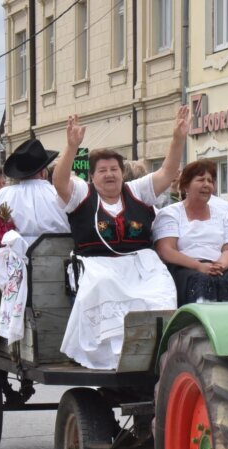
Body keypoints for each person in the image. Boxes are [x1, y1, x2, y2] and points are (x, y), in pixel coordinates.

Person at [51, 114, 180, 369]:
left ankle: (157, 353)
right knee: (104, 284)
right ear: (93, 176)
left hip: (142, 266)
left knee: (162, 291)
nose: (109, 175)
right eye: (102, 171)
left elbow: (167, 172)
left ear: (122, 173)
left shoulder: (137, 191)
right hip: (97, 265)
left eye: (114, 169)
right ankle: (114, 358)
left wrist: (178, 137)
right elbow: (60, 180)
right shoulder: (81, 194)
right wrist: (71, 146)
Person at [153, 160, 228, 305]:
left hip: (218, 268)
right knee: (201, 281)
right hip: (185, 269)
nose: (206, 185)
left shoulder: (223, 215)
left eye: (210, 181)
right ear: (186, 185)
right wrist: (198, 266)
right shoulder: (170, 213)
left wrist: (220, 265)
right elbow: (166, 250)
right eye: (200, 180)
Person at [0, 139, 71, 247]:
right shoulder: (60, 194)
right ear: (43, 171)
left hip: (12, 261)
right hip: (59, 260)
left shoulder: (2, 195)